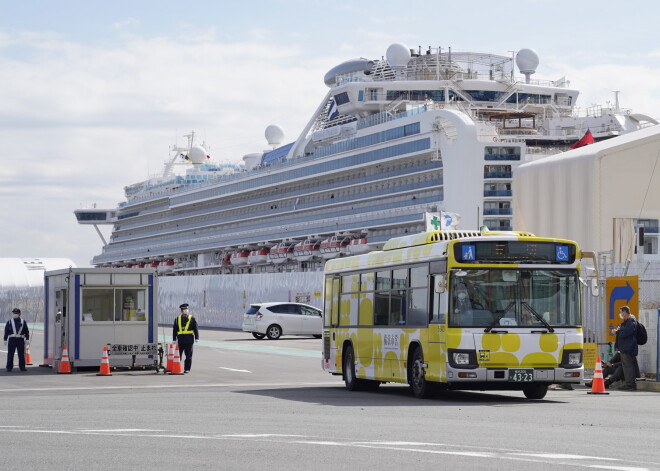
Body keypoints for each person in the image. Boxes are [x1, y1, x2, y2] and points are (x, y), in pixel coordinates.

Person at [613, 306, 638, 390]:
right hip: (625, 347)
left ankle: (630, 384)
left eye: (621, 312)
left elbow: (626, 333)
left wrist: (617, 332)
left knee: (628, 367)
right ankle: (629, 383)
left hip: (628, 348)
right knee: (626, 366)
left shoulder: (631, 321)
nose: (621, 314)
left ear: (625, 312)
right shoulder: (628, 321)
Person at [172, 303, 199, 373]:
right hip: (180, 340)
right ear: (181, 311)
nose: (186, 310)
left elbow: (195, 328)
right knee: (178, 355)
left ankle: (187, 369)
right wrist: (174, 339)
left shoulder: (192, 318)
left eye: (186, 309)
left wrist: (197, 337)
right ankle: (177, 367)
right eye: (184, 309)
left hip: (189, 340)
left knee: (188, 355)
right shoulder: (177, 319)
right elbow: (175, 329)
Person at [4, 308, 30, 372]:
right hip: (12, 339)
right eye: (14, 313)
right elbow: (6, 331)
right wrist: (5, 339)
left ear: (19, 314)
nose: (15, 314)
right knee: (10, 354)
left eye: (16, 313)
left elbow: (26, 331)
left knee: (21, 354)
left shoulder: (23, 321)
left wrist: (27, 339)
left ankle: (22, 367)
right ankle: (9, 367)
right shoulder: (9, 321)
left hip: (20, 339)